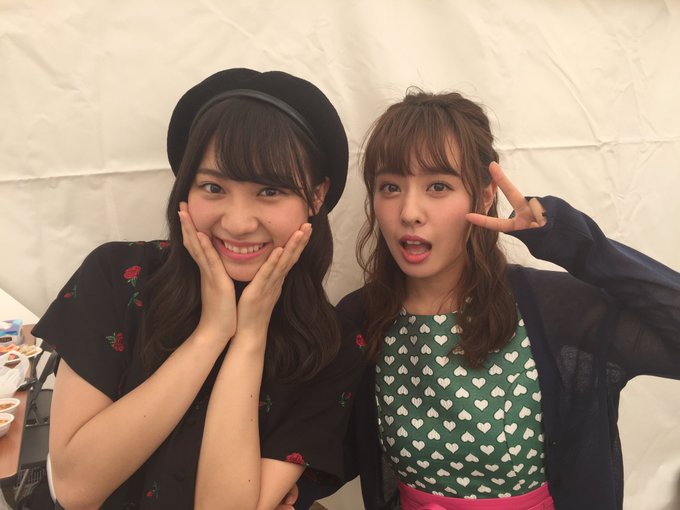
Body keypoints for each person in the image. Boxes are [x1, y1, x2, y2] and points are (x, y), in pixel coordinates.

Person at [32, 68, 365, 510]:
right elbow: (75, 489)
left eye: (270, 191)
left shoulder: (331, 347)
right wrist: (211, 333)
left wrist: (249, 338)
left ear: (317, 196)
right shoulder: (117, 277)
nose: (238, 223)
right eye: (213, 187)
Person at [332, 90, 680, 509]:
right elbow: (330, 444)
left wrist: (572, 244)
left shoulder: (556, 310)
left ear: (483, 195)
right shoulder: (361, 316)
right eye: (390, 187)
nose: (409, 211)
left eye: (438, 186)